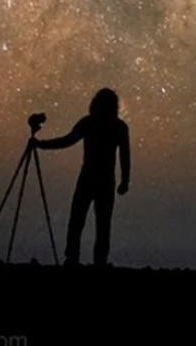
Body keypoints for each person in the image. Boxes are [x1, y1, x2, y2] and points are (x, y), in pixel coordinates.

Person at [35, 87, 130, 267]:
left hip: (89, 179)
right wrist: (125, 181)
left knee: (80, 220)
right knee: (99, 223)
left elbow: (67, 140)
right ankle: (95, 261)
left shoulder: (91, 123)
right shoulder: (118, 127)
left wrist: (42, 145)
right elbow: (125, 156)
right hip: (103, 181)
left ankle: (74, 259)